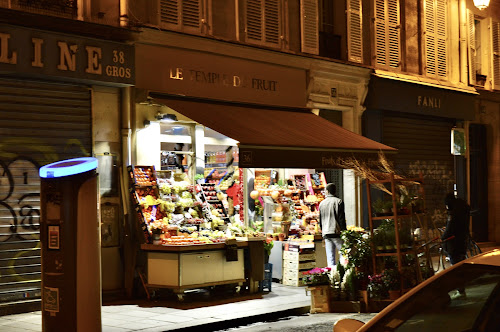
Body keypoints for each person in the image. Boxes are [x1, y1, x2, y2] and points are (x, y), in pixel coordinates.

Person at [319, 183, 347, 268]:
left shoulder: (321, 203)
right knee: (344, 254)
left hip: (326, 233)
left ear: (327, 191)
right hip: (336, 232)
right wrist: (344, 232)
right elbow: (341, 219)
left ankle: (332, 276)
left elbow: (320, 220)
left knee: (330, 258)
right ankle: (342, 273)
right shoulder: (339, 201)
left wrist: (322, 231)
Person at [441, 192, 470, 265]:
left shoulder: (453, 213)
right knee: (461, 262)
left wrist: (443, 237)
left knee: (455, 264)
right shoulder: (463, 208)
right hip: (462, 241)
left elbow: (449, 228)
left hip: (454, 243)